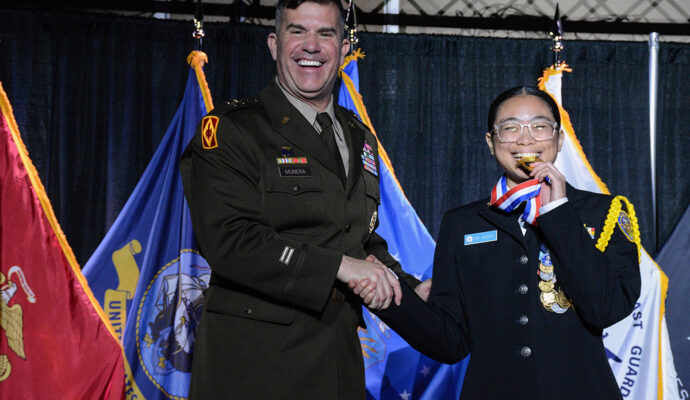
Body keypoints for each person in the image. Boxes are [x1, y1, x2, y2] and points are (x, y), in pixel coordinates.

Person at [179, 0, 421, 398]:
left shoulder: (359, 136)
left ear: (343, 49)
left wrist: (410, 289)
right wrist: (340, 267)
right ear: (274, 44)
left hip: (338, 362)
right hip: (255, 367)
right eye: (298, 31)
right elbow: (230, 242)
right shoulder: (231, 130)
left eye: (326, 33)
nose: (312, 46)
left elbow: (358, 240)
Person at [351, 86, 641, 399]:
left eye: (540, 126)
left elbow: (607, 308)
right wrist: (392, 300)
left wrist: (558, 213)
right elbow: (450, 341)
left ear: (559, 139)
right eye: (510, 127)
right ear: (491, 142)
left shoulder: (604, 212)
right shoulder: (462, 223)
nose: (526, 139)